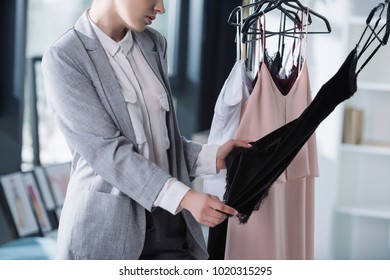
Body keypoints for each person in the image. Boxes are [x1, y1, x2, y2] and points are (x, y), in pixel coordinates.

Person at [42, 0, 251, 260]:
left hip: (171, 226)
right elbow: (108, 153)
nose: (161, 8)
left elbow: (160, 142)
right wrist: (185, 197)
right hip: (106, 232)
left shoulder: (153, 43)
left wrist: (212, 156)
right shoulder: (65, 56)